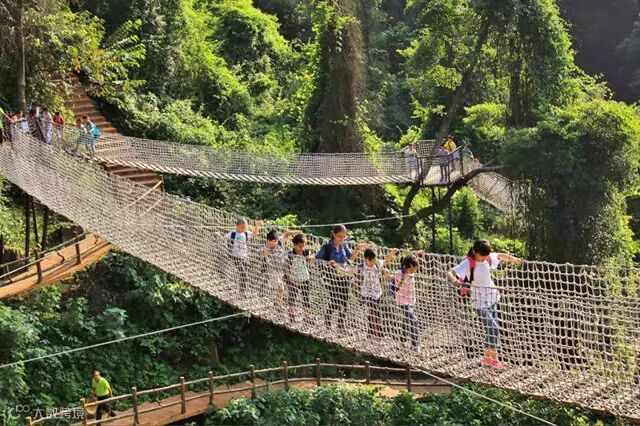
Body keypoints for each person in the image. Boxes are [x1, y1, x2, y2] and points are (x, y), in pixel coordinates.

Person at [447, 239, 522, 370]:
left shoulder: (487, 257)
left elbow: (500, 255)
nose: (483, 258)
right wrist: (454, 280)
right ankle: (493, 360)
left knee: (490, 329)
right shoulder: (468, 262)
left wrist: (513, 259)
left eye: (485, 255)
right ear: (475, 252)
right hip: (479, 302)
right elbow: (449, 272)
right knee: (493, 328)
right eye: (481, 255)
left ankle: (488, 359)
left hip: (492, 298)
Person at [333, 247, 398, 338]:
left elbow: (386, 261)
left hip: (377, 292)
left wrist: (392, 252)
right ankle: (378, 332)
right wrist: (337, 266)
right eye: (371, 261)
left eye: (374, 260)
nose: (372, 263)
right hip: (366, 292)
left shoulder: (377, 263)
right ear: (365, 259)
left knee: (375, 312)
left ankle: (370, 333)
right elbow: (347, 272)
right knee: (373, 310)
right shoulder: (360, 266)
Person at [316, 225, 366, 331]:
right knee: (335, 301)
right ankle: (328, 319)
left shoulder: (344, 246)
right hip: (331, 278)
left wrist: (358, 249)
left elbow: (350, 259)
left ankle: (340, 325)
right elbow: (317, 259)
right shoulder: (327, 247)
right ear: (334, 234)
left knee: (344, 302)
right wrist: (313, 258)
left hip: (344, 276)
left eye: (344, 237)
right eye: (339, 236)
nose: (342, 239)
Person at [259, 229, 299, 312]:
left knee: (286, 288)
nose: (275, 242)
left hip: (284, 270)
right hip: (273, 271)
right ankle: (277, 307)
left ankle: (277, 304)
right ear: (268, 241)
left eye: (276, 240)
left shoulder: (279, 241)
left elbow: (286, 234)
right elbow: (261, 253)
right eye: (273, 241)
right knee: (281, 288)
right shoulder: (266, 248)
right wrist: (265, 250)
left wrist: (297, 232)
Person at [392, 254, 422, 353]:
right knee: (413, 319)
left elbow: (410, 257)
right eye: (411, 270)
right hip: (402, 300)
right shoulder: (399, 273)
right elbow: (396, 285)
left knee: (406, 319)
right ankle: (415, 345)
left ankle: (402, 340)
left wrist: (418, 253)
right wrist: (404, 276)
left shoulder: (410, 270)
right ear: (405, 267)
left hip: (411, 300)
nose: (413, 272)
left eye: (414, 270)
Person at [225, 217, 261, 296]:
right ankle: (242, 292)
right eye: (242, 227)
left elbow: (255, 233)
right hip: (236, 257)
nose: (244, 229)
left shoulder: (245, 233)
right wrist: (218, 235)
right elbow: (224, 237)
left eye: (245, 227)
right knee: (243, 273)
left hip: (244, 257)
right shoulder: (233, 234)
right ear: (237, 226)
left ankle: (241, 291)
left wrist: (257, 226)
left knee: (244, 274)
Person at [284, 232, 315, 324]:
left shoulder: (305, 252)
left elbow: (311, 258)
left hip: (305, 278)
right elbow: (286, 267)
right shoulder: (290, 254)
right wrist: (289, 277)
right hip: (293, 280)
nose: (302, 248)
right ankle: (291, 316)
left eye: (303, 246)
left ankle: (307, 317)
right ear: (294, 245)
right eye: (300, 246)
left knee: (306, 298)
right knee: (292, 298)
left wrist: (311, 258)